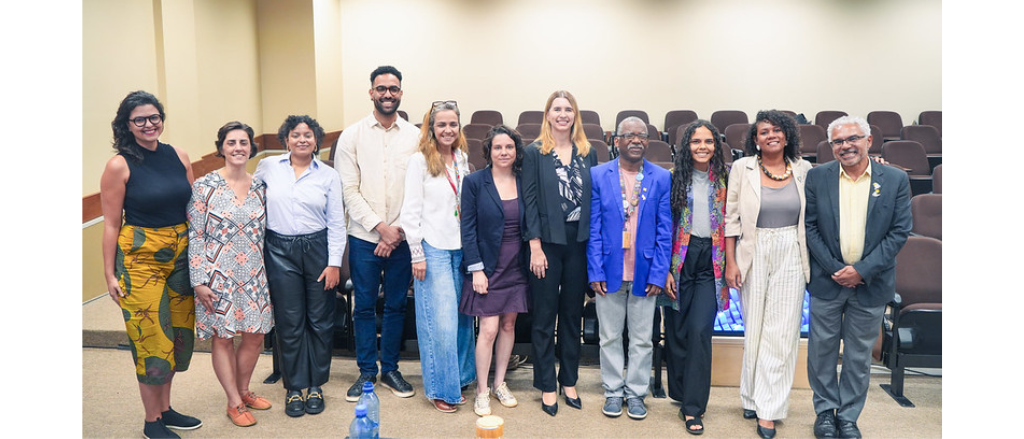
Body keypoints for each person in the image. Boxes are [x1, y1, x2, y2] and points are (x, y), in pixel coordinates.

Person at [100, 90, 202, 439]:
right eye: (139, 119)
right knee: (150, 339)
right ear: (127, 125)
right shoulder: (120, 164)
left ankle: (166, 409)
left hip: (181, 253)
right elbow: (112, 223)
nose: (149, 124)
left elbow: (194, 209)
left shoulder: (178, 155)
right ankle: (151, 421)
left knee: (177, 336)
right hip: (140, 257)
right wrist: (110, 274)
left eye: (154, 117)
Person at [805, 115, 911, 439]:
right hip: (828, 280)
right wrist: (836, 268)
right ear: (831, 146)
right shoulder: (817, 177)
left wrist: (862, 270)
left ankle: (849, 416)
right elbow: (809, 227)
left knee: (858, 355)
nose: (845, 146)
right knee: (821, 352)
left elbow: (899, 232)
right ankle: (825, 413)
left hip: (873, 283)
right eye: (838, 141)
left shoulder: (894, 179)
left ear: (868, 141)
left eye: (852, 139)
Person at [724, 110, 812, 439]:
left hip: (791, 247)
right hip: (752, 248)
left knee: (782, 332)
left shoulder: (804, 169)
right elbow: (731, 218)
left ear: (787, 136)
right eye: (763, 132)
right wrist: (731, 263)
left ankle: (769, 409)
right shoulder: (741, 168)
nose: (770, 135)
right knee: (755, 327)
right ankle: (750, 396)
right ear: (755, 139)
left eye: (776, 130)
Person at [335, 65, 419, 402]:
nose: (387, 94)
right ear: (371, 92)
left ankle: (392, 370)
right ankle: (367, 372)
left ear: (401, 92)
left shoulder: (414, 136)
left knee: (397, 305)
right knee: (365, 307)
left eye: (393, 89)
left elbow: (417, 191)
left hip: (402, 238)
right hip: (364, 238)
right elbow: (348, 190)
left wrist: (395, 231)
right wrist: (380, 229)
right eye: (381, 88)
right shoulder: (352, 135)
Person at [254, 115, 346, 417]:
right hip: (280, 249)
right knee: (290, 321)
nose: (302, 139)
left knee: (320, 321)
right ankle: (294, 388)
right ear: (286, 139)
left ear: (317, 140)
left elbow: (336, 223)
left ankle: (316, 385)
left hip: (318, 248)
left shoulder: (328, 175)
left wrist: (334, 263)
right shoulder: (269, 168)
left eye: (308, 135)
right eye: (296, 135)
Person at [187, 121, 274, 427]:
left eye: (244, 142)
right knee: (223, 338)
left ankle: (244, 390)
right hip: (216, 275)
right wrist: (198, 281)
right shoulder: (204, 186)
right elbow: (196, 235)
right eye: (231, 142)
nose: (238, 148)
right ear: (221, 147)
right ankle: (233, 402)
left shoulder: (261, 187)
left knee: (255, 335)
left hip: (254, 273)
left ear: (252, 148)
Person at [586, 117, 673, 421]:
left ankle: (636, 393)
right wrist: (594, 270)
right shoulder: (598, 175)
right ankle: (612, 390)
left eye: (642, 136)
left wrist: (659, 272)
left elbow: (665, 230)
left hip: (645, 272)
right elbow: (593, 227)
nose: (636, 140)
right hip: (609, 270)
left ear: (648, 142)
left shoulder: (661, 177)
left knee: (641, 338)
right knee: (609, 336)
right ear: (617, 141)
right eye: (629, 136)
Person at [521, 90, 598, 416]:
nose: (563, 114)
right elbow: (530, 203)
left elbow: (593, 202)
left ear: (574, 115)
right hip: (547, 244)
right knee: (543, 317)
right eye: (557, 109)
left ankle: (568, 380)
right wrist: (535, 246)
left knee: (571, 315)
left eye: (568, 109)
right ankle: (546, 384)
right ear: (548, 115)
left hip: (578, 243)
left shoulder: (588, 152)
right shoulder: (534, 152)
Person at [400, 100, 476, 413]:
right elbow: (410, 211)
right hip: (432, 248)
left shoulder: (462, 158)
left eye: (453, 124)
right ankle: (440, 389)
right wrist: (417, 254)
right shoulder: (419, 161)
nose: (447, 130)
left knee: (462, 320)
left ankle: (459, 377)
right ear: (431, 128)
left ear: (459, 128)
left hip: (461, 248)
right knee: (440, 324)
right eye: (441, 124)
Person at [663, 119, 731, 435]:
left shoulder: (728, 180)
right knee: (676, 334)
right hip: (679, 262)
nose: (702, 147)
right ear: (686, 146)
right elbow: (663, 229)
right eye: (695, 141)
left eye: (708, 141)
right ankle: (680, 392)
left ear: (716, 146)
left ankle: (693, 408)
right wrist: (664, 270)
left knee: (700, 331)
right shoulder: (672, 179)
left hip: (710, 264)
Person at [459, 125, 531, 417]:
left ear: (516, 151)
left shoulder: (525, 180)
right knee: (488, 329)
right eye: (498, 147)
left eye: (509, 147)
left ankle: (500, 383)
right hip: (488, 266)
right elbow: (468, 229)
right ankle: (482, 390)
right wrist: (476, 269)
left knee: (508, 326)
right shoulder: (475, 182)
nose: (504, 152)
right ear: (488, 151)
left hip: (517, 265)